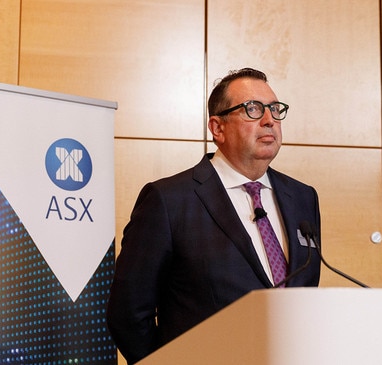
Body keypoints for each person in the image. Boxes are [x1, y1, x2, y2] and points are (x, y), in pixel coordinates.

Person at [106, 68, 322, 364]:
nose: (269, 119)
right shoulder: (169, 200)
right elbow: (128, 314)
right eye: (253, 109)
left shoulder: (302, 197)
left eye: (274, 109)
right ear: (217, 128)